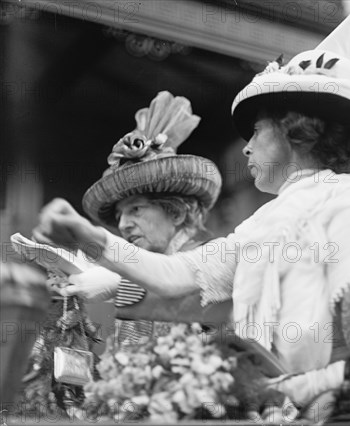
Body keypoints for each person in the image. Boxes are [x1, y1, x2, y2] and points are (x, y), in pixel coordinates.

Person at [34, 9, 350, 410]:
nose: (246, 146)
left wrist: (271, 393)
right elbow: (177, 275)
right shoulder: (268, 222)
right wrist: (90, 237)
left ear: (297, 128)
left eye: (258, 130)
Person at [59, 90, 226, 346]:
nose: (123, 224)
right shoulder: (131, 277)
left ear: (177, 212)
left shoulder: (215, 256)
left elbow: (190, 295)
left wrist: (118, 284)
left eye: (135, 209)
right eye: (119, 215)